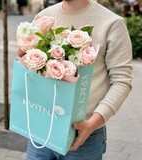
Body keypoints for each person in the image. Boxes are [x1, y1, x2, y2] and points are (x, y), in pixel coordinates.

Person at [18, 0, 132, 159]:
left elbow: (122, 81)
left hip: (84, 135)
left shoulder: (112, 23)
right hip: (42, 128)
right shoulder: (44, 17)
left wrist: (91, 125)